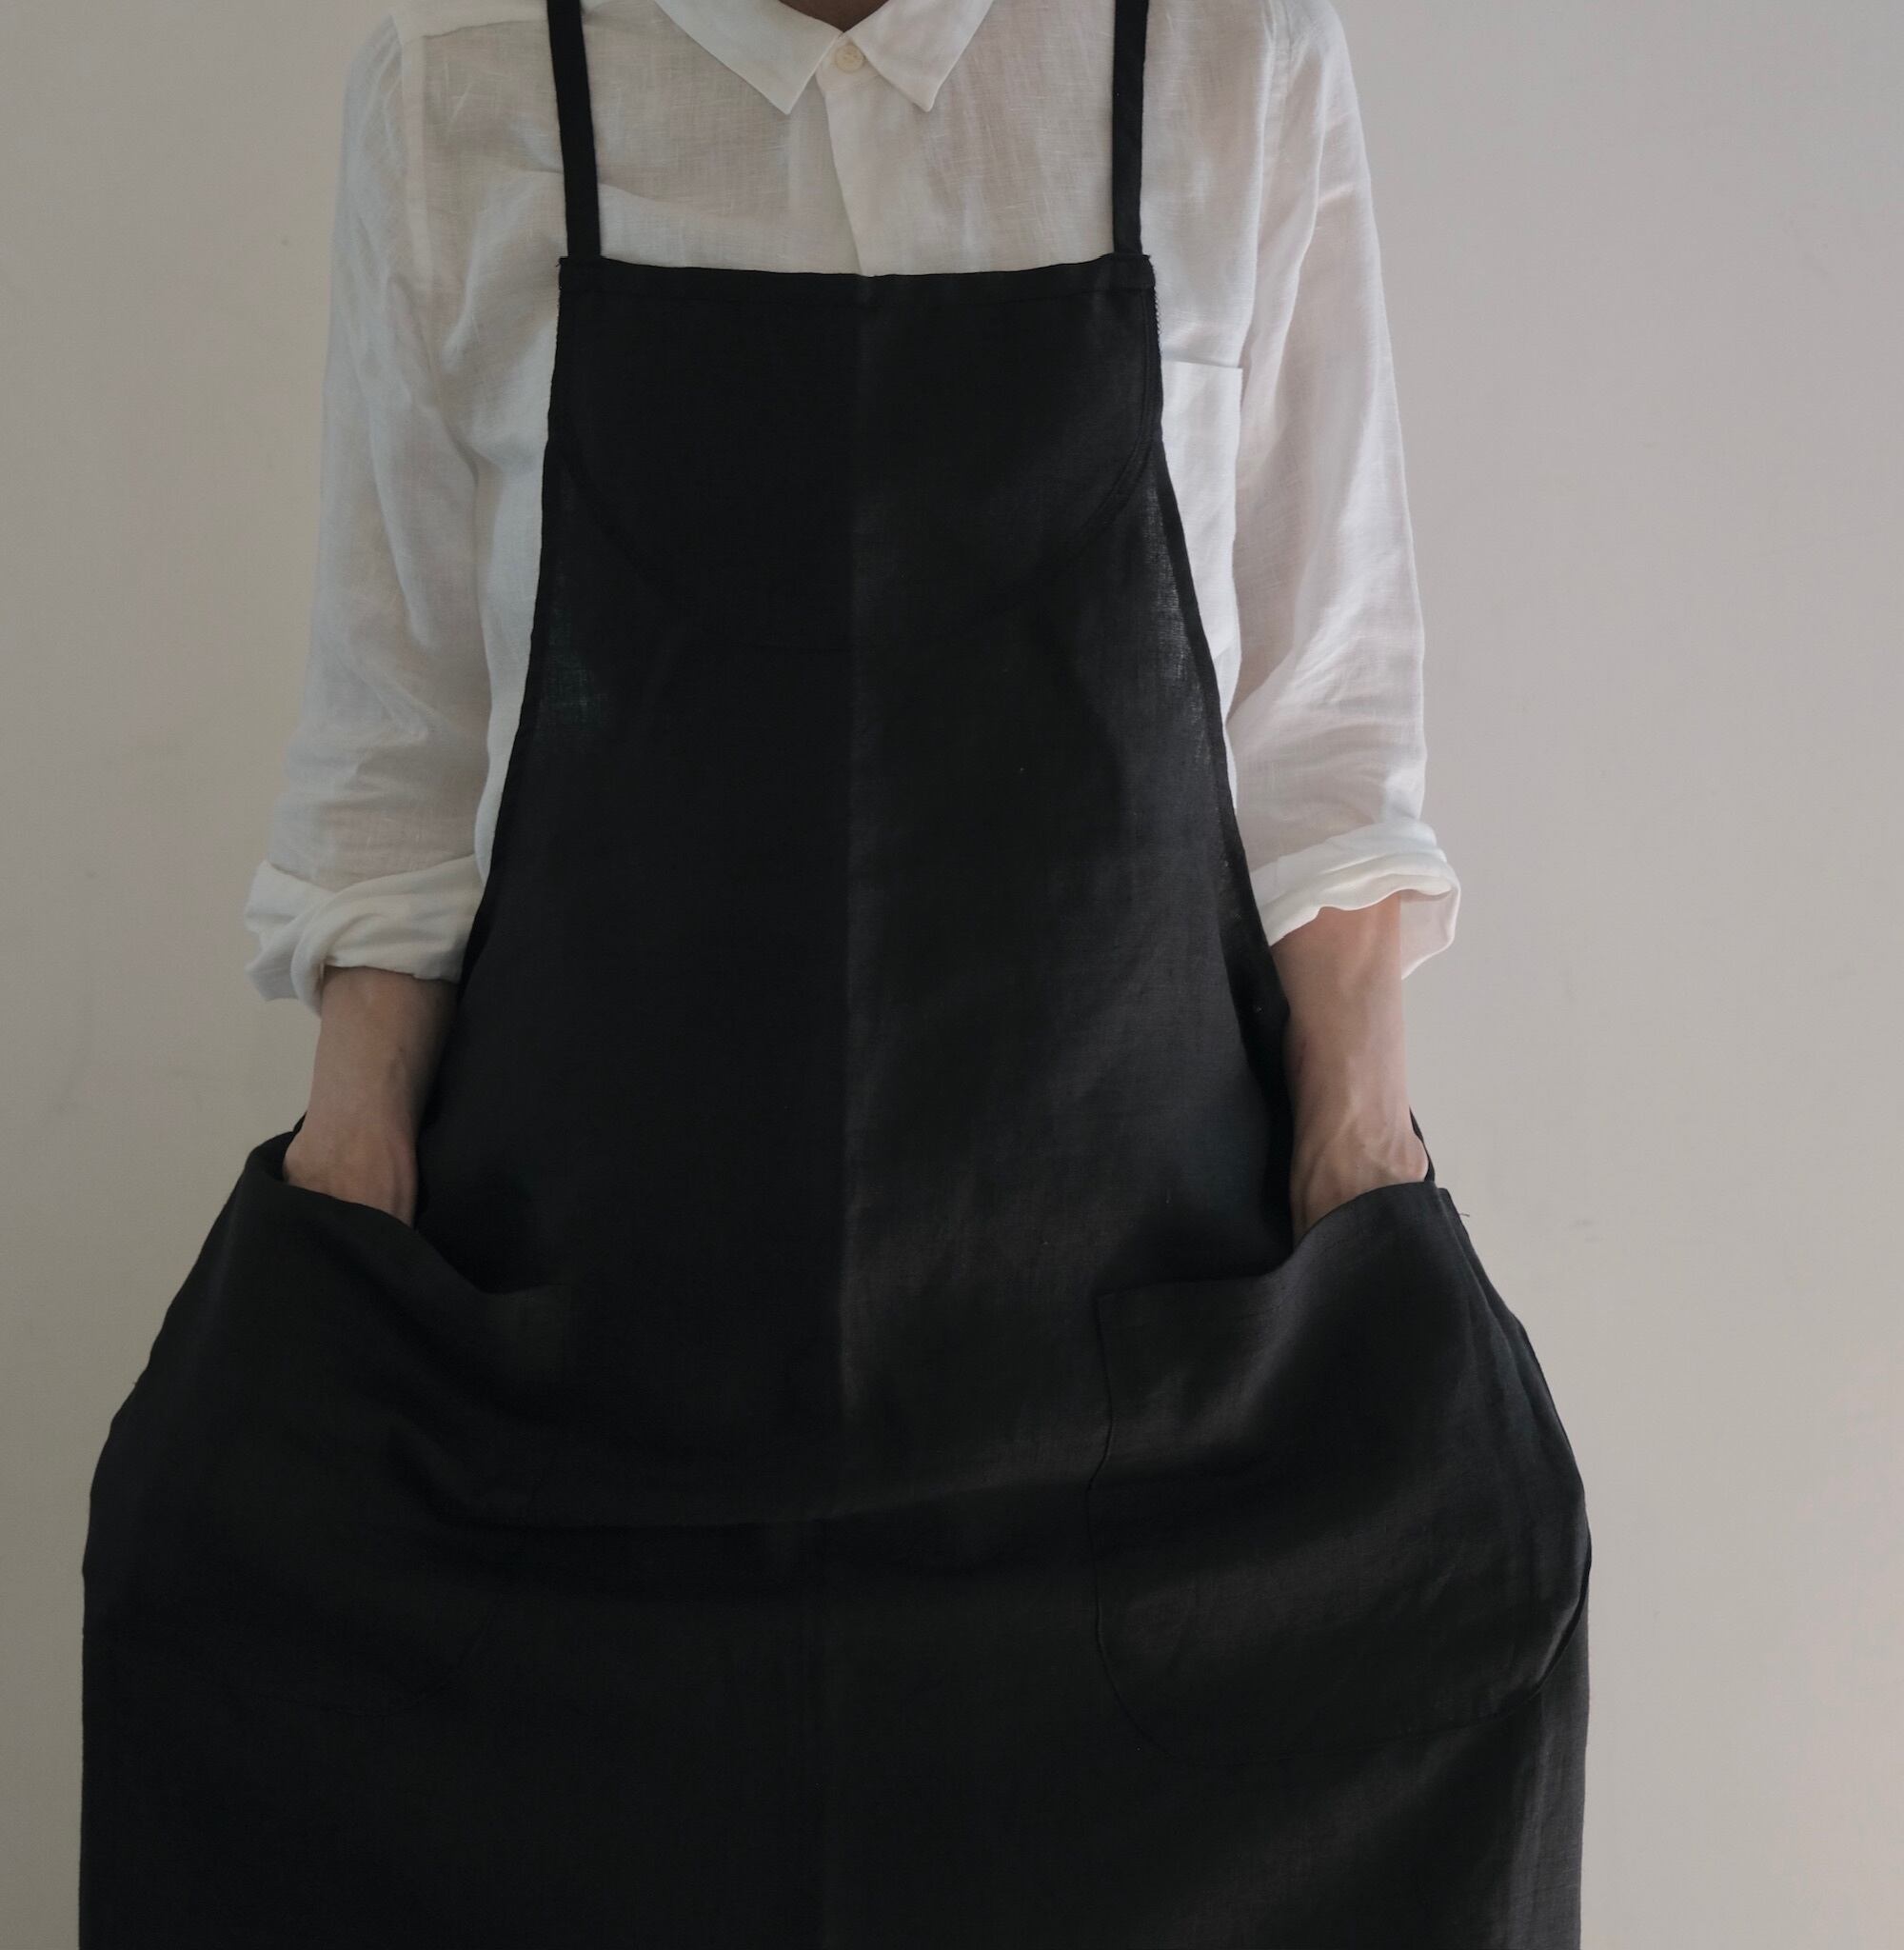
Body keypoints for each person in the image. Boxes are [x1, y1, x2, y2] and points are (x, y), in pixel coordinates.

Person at [79, 2, 1593, 1943]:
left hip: (1128, 1424)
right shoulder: (468, 80)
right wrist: (340, 1226)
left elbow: (1323, 734)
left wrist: (1364, 1174)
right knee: (217, 1592)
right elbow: (403, 755)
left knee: (1458, 1610)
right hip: (585, 1418)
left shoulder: (1225, 60)